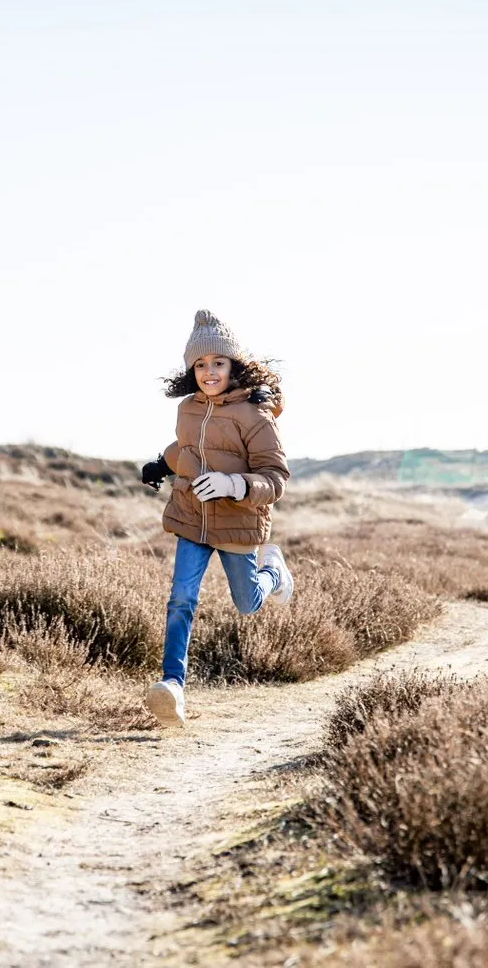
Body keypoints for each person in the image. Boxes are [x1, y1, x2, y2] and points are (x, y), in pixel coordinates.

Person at [137, 310, 292, 727]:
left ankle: (274, 573)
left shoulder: (255, 414)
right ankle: (172, 686)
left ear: (233, 365)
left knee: (246, 603)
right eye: (201, 365)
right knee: (180, 600)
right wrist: (161, 464)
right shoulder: (188, 408)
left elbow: (275, 479)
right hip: (192, 517)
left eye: (218, 363)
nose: (209, 372)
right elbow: (187, 446)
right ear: (192, 369)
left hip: (238, 522)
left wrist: (232, 485)